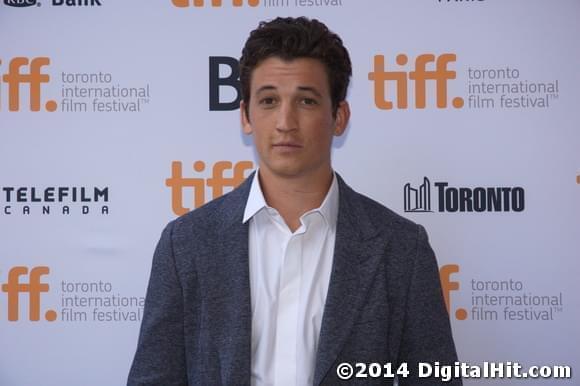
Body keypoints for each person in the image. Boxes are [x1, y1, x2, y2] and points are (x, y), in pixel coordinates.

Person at [128, 16, 461, 386]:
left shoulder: (401, 249)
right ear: (245, 115)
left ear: (339, 116)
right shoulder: (186, 244)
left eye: (306, 100)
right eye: (269, 100)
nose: (286, 121)